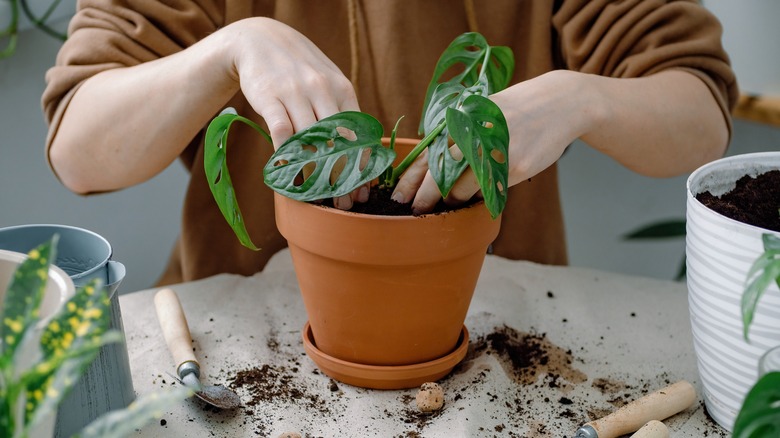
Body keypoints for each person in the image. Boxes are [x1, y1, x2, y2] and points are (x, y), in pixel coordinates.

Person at [42, 0, 737, 286]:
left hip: (497, 326)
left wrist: (579, 96)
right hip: (239, 328)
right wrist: (230, 48)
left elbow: (698, 117)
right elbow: (81, 148)